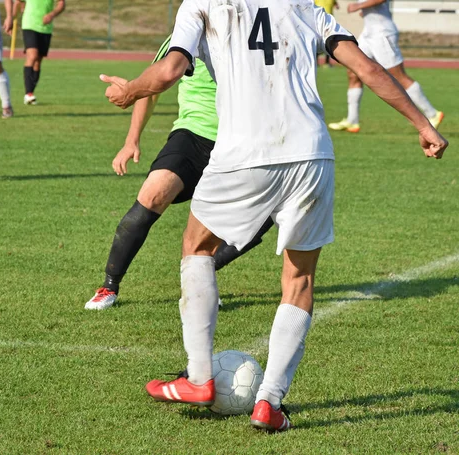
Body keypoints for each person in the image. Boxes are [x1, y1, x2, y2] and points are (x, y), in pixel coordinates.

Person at [101, 0, 447, 432]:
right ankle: (270, 404)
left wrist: (128, 91)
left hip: (243, 154)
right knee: (299, 279)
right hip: (311, 155)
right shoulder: (304, 6)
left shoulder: (203, 4)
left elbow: (169, 70)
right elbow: (371, 68)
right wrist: (422, 124)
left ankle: (199, 377)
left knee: (197, 246)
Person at [85, 35, 274, 310]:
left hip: (243, 141)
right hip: (194, 134)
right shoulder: (187, 32)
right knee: (154, 192)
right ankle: (108, 287)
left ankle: (199, 276)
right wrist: (131, 140)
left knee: (268, 214)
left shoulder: (250, 31)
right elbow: (152, 85)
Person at [328, 0, 444, 133]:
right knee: (353, 72)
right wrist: (365, 11)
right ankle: (352, 121)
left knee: (399, 76)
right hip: (368, 33)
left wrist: (359, 6)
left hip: (382, 33)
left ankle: (432, 114)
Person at [13, 0, 66, 105]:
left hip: (45, 28)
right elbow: (18, 2)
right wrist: (11, 18)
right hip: (29, 25)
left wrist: (52, 14)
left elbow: (61, 4)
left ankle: (31, 93)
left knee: (38, 61)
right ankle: (28, 93)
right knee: (32, 56)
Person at [314, 0, 338, 66]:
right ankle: (316, 62)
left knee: (328, 43)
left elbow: (336, 4)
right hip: (318, 22)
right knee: (317, 42)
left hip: (329, 23)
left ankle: (327, 62)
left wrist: (336, 5)